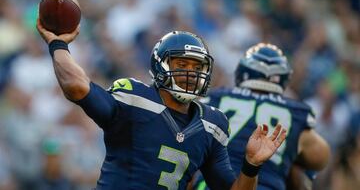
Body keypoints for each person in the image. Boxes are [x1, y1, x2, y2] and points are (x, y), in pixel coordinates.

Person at [36, 19, 287, 190]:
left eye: (197, 67)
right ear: (161, 67)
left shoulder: (213, 125)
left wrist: (251, 166)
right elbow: (77, 87)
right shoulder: (134, 99)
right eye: (182, 65)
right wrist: (58, 44)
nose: (191, 74)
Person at [193, 43, 330, 190]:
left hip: (212, 186)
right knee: (300, 166)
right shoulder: (295, 112)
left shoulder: (216, 98)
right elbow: (321, 158)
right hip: (267, 186)